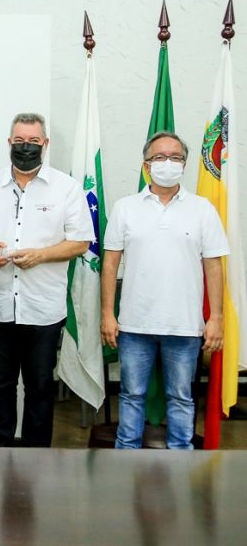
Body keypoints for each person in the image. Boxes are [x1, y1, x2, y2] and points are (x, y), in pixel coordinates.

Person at [0, 112, 93, 447]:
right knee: (0, 385)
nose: (26, 147)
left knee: (39, 388)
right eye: (19, 141)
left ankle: (37, 458)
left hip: (43, 310)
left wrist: (41, 255)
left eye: (33, 141)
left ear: (45, 144)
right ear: (9, 143)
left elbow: (81, 241)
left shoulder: (66, 188)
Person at [101, 131, 228, 450]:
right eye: (159, 157)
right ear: (146, 165)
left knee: (182, 398)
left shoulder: (202, 209)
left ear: (184, 164)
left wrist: (216, 318)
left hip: (184, 326)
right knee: (131, 395)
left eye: (175, 157)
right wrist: (107, 314)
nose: (167, 163)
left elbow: (214, 266)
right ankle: (125, 456)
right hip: (134, 325)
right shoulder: (125, 208)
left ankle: (181, 460)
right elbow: (110, 264)